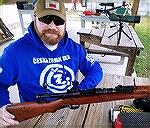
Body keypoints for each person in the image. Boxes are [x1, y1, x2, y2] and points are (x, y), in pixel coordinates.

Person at [0, 0, 103, 127]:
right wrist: (2, 106)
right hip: (35, 118)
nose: (52, 26)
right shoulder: (14, 52)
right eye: (46, 18)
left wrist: (81, 91)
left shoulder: (74, 48)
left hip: (71, 111)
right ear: (35, 18)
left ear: (65, 23)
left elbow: (96, 69)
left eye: (58, 21)